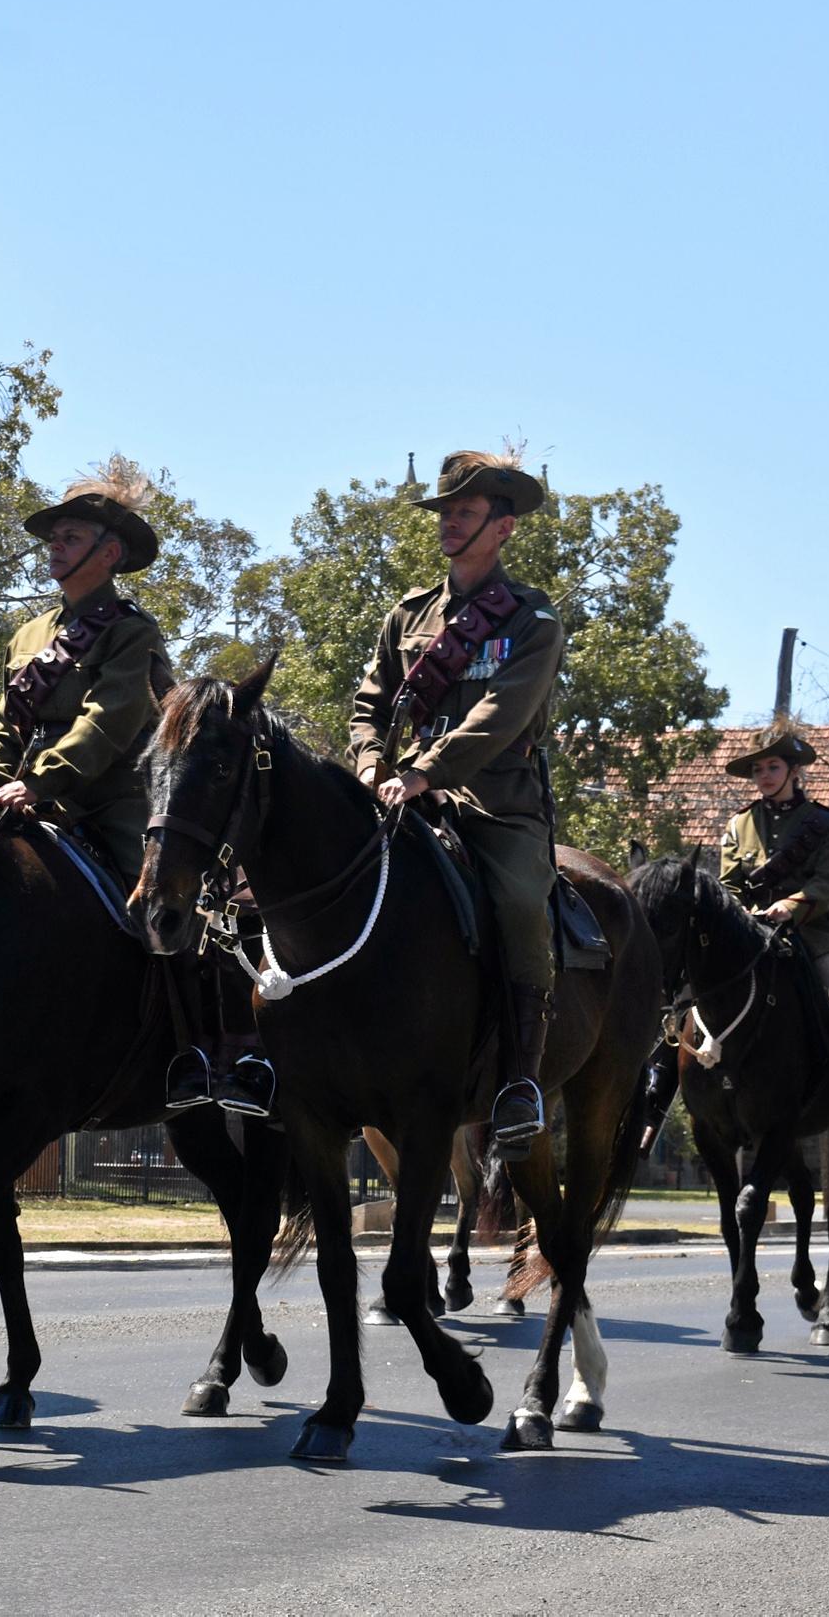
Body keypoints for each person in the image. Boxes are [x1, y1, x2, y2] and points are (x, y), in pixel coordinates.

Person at [0, 465, 272, 1117]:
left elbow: (105, 723)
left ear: (109, 552)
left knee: (159, 909)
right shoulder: (27, 635)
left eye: (70, 535)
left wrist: (39, 780)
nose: (54, 545)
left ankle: (195, 1053)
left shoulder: (132, 631)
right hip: (22, 796)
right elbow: (6, 724)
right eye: (53, 535)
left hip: (110, 803)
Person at [349, 451, 563, 1157]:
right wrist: (373, 761)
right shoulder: (408, 615)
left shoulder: (533, 620)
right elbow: (371, 702)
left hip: (497, 805)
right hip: (401, 795)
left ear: (502, 527)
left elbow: (501, 714)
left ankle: (520, 1083)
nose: (448, 523)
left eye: (464, 513)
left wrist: (426, 770)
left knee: (521, 907)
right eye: (445, 512)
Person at [717, 720, 829, 1122]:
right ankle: (661, 1083)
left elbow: (827, 881)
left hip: (813, 926)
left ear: (793, 771)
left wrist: (792, 903)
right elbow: (728, 883)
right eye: (758, 769)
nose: (764, 776)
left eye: (772, 767)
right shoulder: (739, 824)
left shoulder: (825, 822)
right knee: (693, 983)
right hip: (747, 927)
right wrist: (741, 916)